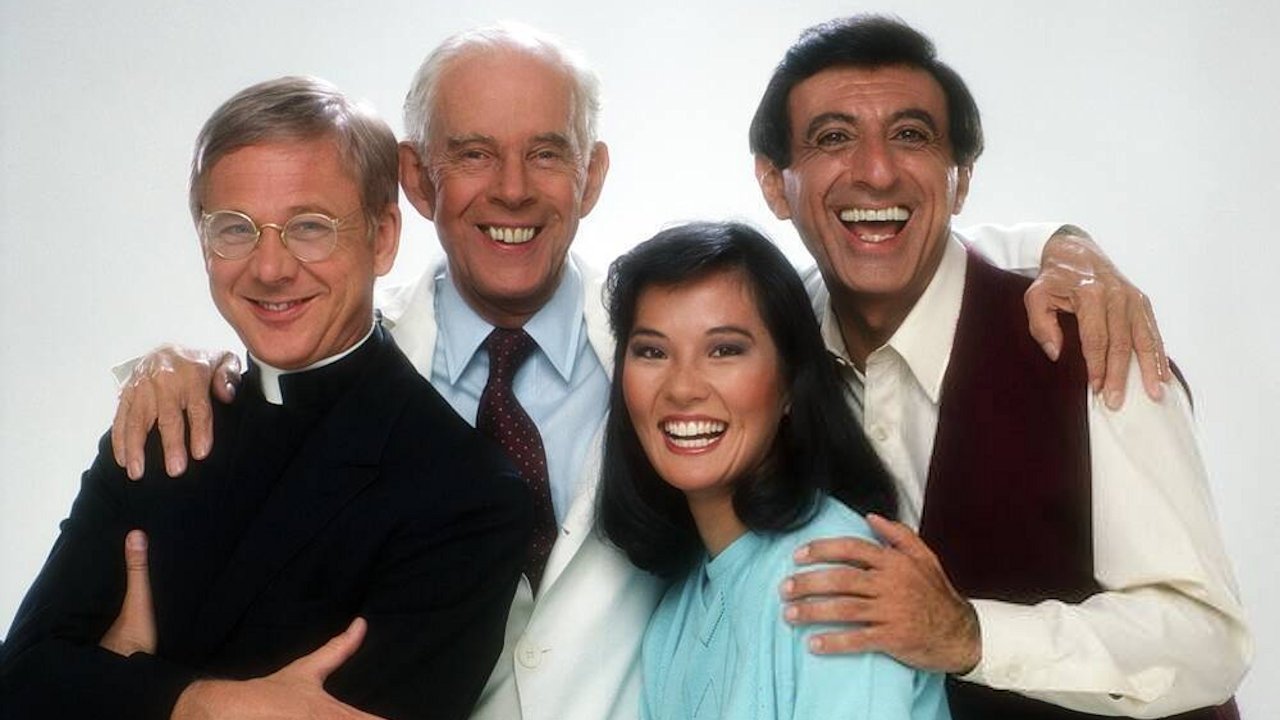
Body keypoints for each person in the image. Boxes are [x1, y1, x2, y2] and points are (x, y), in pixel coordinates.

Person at [103, 23, 1174, 720]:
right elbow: (281, 313)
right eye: (472, 154)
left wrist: (1056, 245)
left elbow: (867, 251)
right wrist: (182, 360)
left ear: (593, 175)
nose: (512, 189)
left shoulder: (672, 337)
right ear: (419, 185)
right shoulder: (345, 375)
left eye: (548, 152)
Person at [749, 15, 1250, 719]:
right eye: (833, 138)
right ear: (775, 183)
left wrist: (969, 634)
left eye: (911, 135)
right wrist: (1054, 237)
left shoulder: (1094, 345)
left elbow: (1207, 639)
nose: (877, 171)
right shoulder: (770, 339)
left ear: (960, 180)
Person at [0, 76, 531, 720]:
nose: (270, 268)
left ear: (383, 238)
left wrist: (117, 683)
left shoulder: (468, 494)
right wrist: (202, 704)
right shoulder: (161, 427)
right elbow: (19, 681)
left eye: (309, 227)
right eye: (235, 229)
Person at [599, 221, 949, 719]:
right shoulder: (675, 613)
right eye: (652, 352)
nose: (682, 388)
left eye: (724, 350)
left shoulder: (837, 576)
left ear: (790, 382)